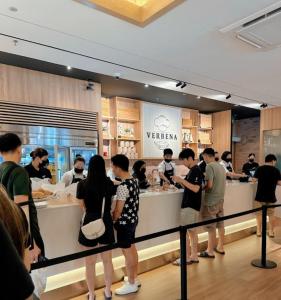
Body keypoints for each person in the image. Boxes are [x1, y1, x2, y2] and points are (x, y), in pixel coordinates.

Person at [0, 133, 44, 261]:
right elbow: (22, 211)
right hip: (22, 235)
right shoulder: (19, 172)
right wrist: (30, 244)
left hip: (7, 231)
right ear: (19, 149)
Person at [77, 155, 115, 300]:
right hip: (105, 219)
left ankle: (92, 294)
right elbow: (111, 201)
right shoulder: (108, 183)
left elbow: (81, 205)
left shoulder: (82, 184)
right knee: (107, 260)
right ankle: (107, 291)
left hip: (89, 220)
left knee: (89, 263)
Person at [111, 155, 140, 296]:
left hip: (124, 223)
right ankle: (134, 277)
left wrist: (114, 219)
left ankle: (131, 283)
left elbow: (118, 210)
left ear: (117, 167)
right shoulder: (134, 181)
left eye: (112, 167)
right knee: (132, 249)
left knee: (127, 252)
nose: (112, 169)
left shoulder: (123, 187)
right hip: (133, 220)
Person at [172, 148, 204, 265]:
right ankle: (194, 255)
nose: (183, 164)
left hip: (190, 206)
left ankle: (185, 257)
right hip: (192, 205)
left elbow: (196, 188)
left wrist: (181, 180)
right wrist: (179, 181)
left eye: (184, 160)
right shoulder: (193, 170)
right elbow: (190, 186)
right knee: (192, 232)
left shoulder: (196, 170)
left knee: (185, 232)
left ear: (190, 158)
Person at [199, 148, 226, 259]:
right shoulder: (220, 166)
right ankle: (220, 247)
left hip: (211, 201)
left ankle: (210, 251)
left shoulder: (209, 166)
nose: (203, 159)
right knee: (220, 225)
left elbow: (209, 185)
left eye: (203, 156)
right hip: (220, 200)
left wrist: (200, 188)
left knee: (211, 227)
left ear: (206, 155)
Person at [252, 154, 281, 238]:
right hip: (271, 196)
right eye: (275, 161)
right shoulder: (276, 170)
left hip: (260, 195)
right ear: (273, 161)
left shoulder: (259, 169)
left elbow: (254, 180)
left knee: (259, 214)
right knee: (271, 214)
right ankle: (271, 231)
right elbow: (279, 183)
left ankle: (258, 231)